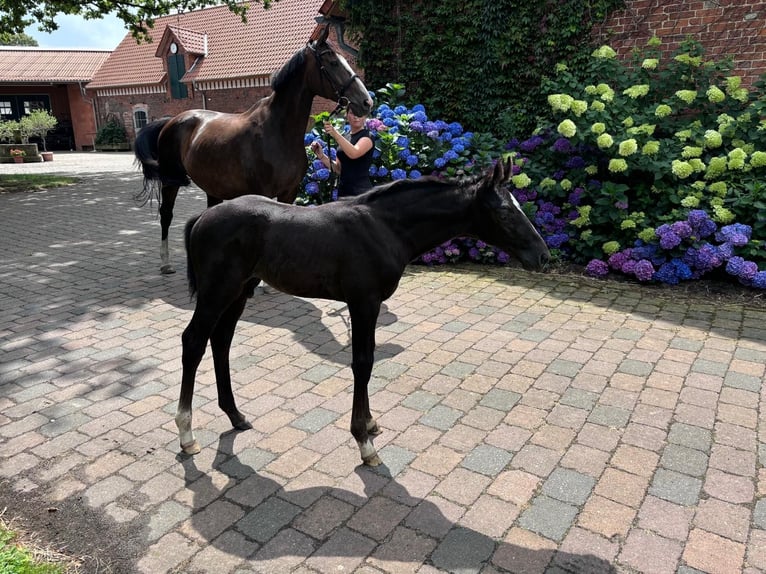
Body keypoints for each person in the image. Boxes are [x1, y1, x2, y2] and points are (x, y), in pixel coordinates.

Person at [310, 108, 374, 197]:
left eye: (360, 113)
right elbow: (338, 169)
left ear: (365, 116)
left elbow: (354, 153)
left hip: (361, 194)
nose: (356, 116)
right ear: (346, 115)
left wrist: (335, 134)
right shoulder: (345, 137)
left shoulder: (367, 137)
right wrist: (322, 156)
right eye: (352, 113)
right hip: (343, 193)